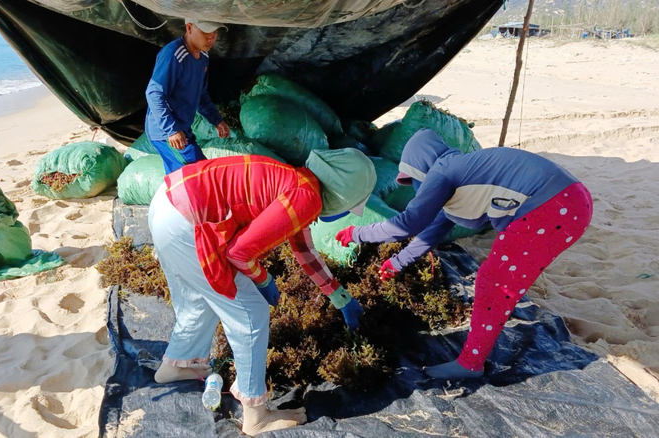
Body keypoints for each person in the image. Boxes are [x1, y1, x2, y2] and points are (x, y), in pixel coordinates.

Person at [149, 149, 376, 435]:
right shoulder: (306, 197)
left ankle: (176, 366)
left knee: (199, 297)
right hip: (186, 220)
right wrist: (264, 280)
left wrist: (340, 296)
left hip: (166, 202)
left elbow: (304, 249)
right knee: (251, 315)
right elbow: (239, 253)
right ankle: (256, 416)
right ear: (343, 195)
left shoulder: (298, 182)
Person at [336, 128, 593, 380]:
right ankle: (474, 356)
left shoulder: (443, 172)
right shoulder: (458, 178)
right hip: (571, 202)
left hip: (554, 206)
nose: (414, 188)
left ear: (420, 167)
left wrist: (356, 233)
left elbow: (406, 225)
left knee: (494, 282)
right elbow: (430, 232)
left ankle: (470, 364)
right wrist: (396, 262)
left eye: (412, 180)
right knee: (498, 279)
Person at [145, 18, 230, 174]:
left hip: (183, 129)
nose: (211, 37)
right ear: (189, 27)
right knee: (200, 174)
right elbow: (154, 93)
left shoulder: (203, 57)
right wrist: (171, 130)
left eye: (215, 32)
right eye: (206, 32)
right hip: (167, 133)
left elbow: (201, 94)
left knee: (180, 178)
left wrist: (217, 120)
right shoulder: (174, 55)